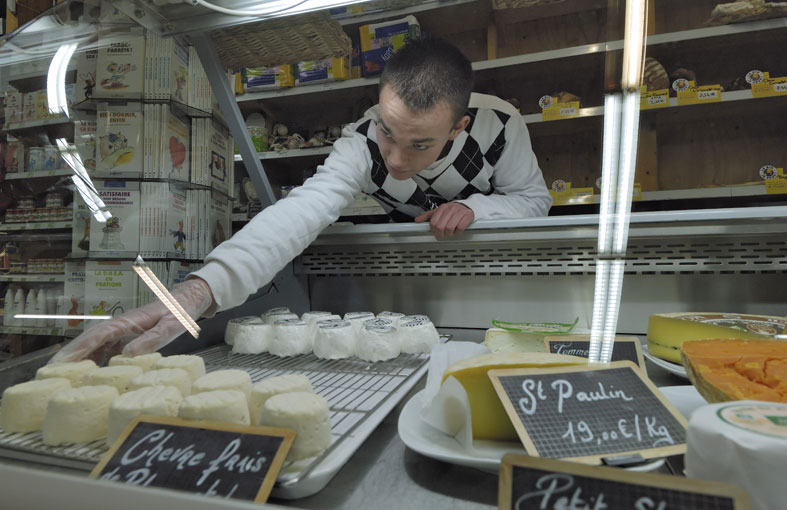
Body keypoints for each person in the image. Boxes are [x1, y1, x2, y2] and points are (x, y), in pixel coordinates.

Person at [51, 37, 551, 363]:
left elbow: (533, 200)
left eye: (420, 144)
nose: (396, 160)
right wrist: (200, 290)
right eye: (387, 132)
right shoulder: (360, 142)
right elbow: (298, 214)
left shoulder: (499, 124)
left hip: (498, 282)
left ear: (458, 126)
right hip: (412, 281)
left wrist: (475, 209)